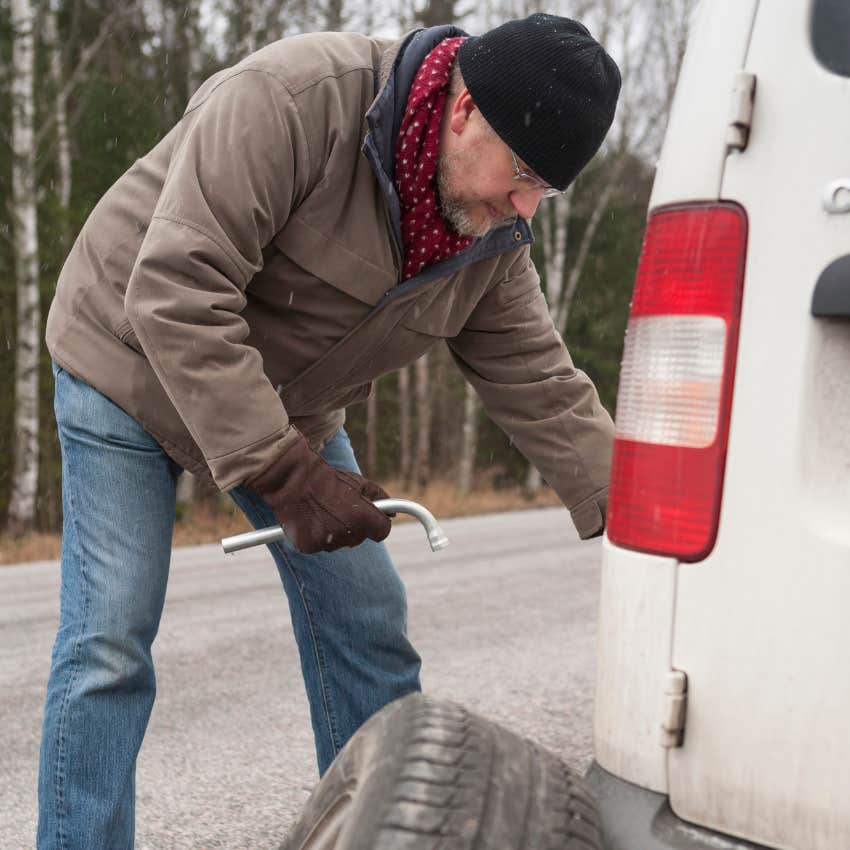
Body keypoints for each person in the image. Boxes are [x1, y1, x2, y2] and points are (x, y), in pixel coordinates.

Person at [37, 12, 620, 849]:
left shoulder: (490, 233)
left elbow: (540, 380)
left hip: (279, 407)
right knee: (111, 638)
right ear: (464, 114)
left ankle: (398, 834)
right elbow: (174, 287)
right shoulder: (293, 101)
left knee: (367, 620)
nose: (524, 206)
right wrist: (283, 472)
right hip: (125, 359)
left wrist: (637, 515)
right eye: (523, 174)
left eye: (546, 192)